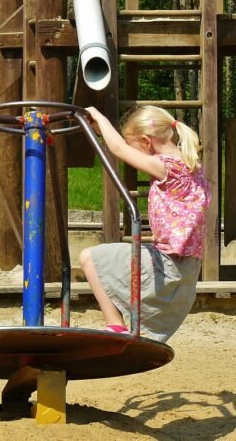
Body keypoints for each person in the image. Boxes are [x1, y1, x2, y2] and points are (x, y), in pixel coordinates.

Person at [80, 105, 210, 342]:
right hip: (187, 267)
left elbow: (117, 148)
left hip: (168, 265)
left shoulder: (166, 167)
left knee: (89, 258)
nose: (133, 154)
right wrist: (102, 130)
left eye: (134, 146)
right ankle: (122, 327)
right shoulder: (192, 166)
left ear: (146, 141)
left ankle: (115, 325)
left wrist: (99, 115)